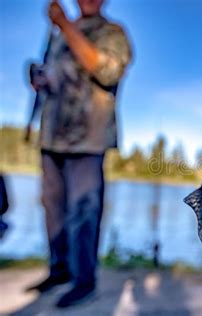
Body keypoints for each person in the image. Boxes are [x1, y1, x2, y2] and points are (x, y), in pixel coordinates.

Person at [26, 0, 132, 308]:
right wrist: (38, 77)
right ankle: (59, 270)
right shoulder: (58, 36)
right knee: (52, 208)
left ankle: (85, 280)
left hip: (88, 138)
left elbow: (106, 71)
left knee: (83, 211)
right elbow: (56, 75)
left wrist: (66, 25)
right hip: (52, 135)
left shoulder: (112, 32)